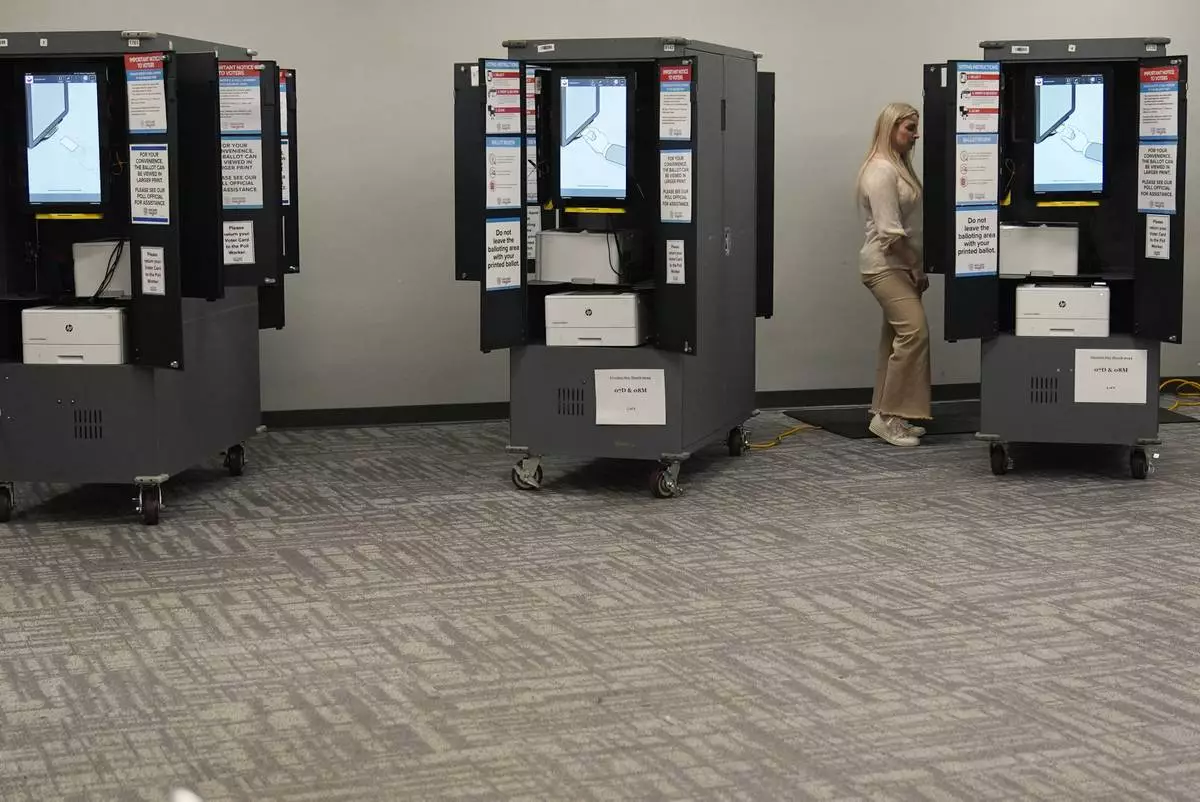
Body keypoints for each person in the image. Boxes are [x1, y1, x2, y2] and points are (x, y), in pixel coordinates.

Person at [855, 102, 931, 447]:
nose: (916, 135)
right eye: (909, 128)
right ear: (891, 128)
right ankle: (889, 418)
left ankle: (887, 412)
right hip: (886, 266)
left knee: (895, 339)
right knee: (915, 333)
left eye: (915, 128)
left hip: (898, 265)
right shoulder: (881, 171)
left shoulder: (897, 167)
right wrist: (915, 266)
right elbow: (890, 233)